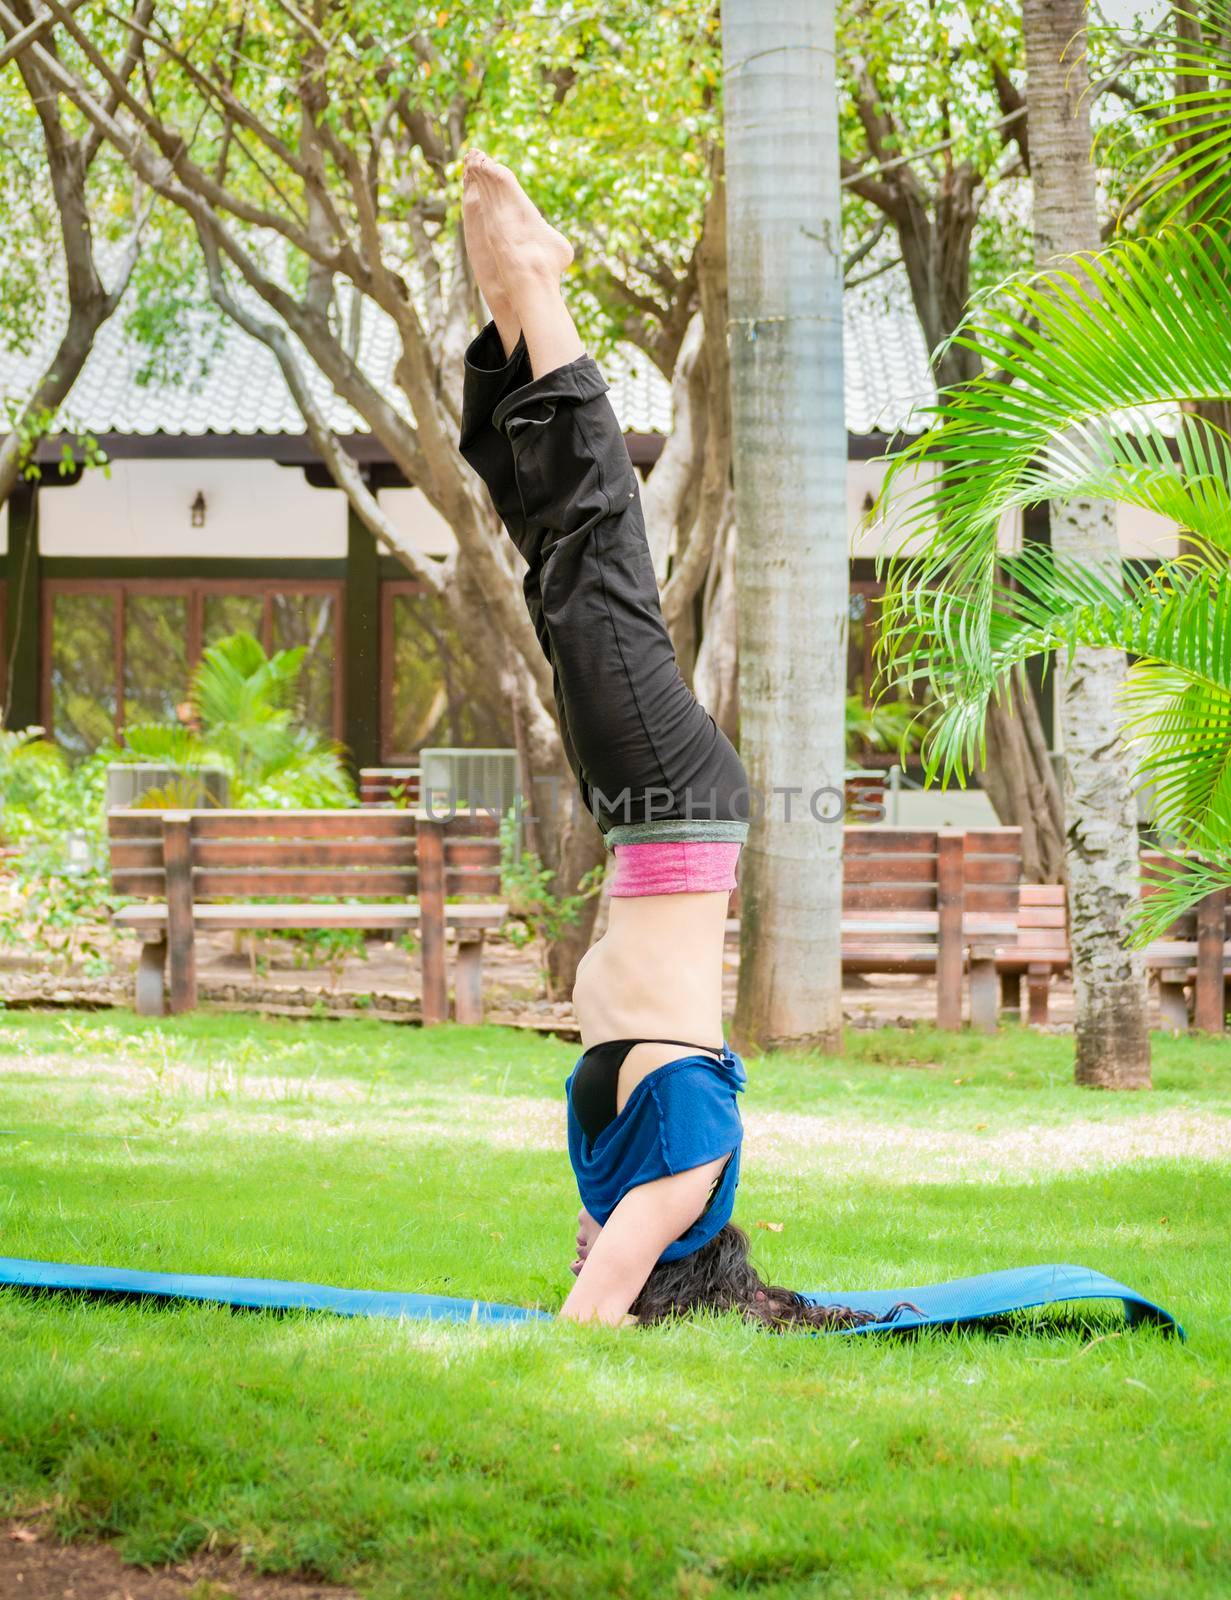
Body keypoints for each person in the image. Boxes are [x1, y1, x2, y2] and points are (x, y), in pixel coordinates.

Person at [458, 151, 885, 1332]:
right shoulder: (692, 1160)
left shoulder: (626, 1185)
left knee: (562, 582)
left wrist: (615, 1275)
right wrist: (601, 1317)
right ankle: (537, 292)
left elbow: (601, 1260)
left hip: (649, 820)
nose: (606, 1241)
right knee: (600, 575)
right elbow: (594, 1305)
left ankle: (510, 337)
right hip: (678, 807)